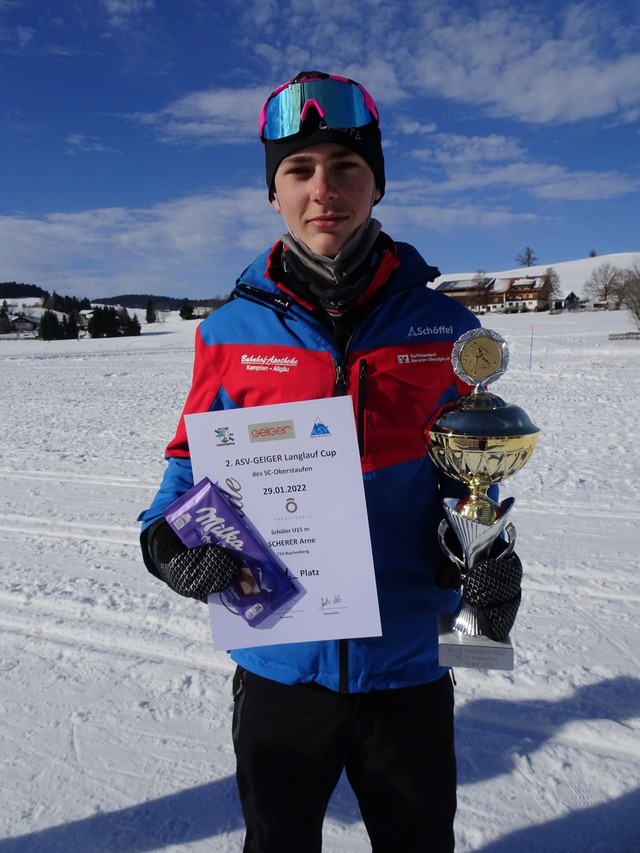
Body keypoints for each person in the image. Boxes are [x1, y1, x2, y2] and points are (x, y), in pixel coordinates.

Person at [138, 71, 523, 852]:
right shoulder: (230, 331)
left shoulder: (444, 327)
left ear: (377, 182)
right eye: (299, 169)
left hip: (409, 666)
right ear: (273, 192)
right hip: (282, 663)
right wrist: (164, 541)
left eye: (346, 166)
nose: (325, 189)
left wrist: (488, 558)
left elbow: (469, 481)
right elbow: (188, 467)